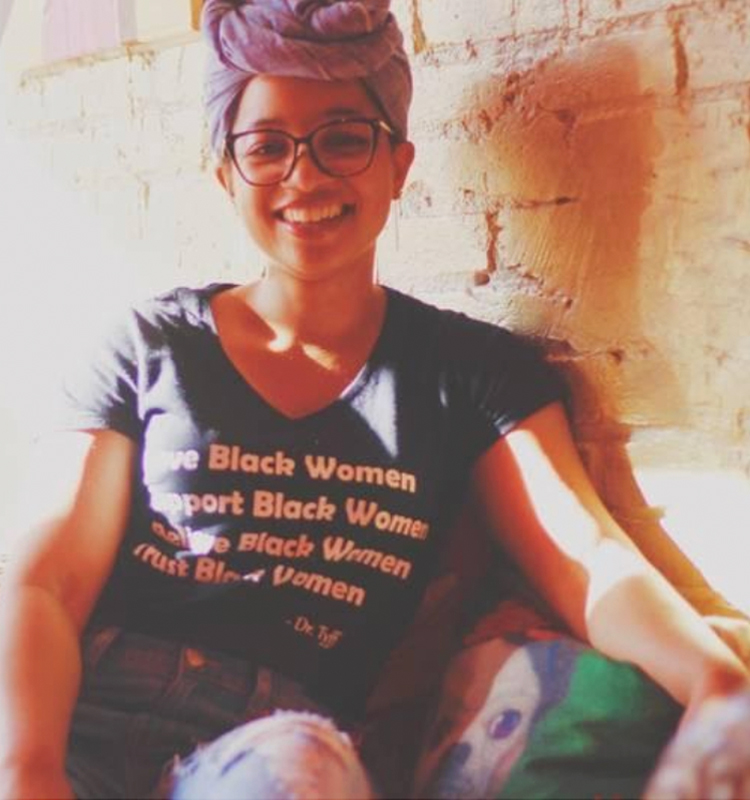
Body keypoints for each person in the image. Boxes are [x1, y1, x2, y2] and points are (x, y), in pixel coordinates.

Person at [1, 1, 749, 798]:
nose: (305, 174)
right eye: (266, 147)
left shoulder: (472, 375)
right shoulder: (147, 349)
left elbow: (590, 563)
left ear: (398, 163)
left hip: (273, 757)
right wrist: (30, 771)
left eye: (344, 139)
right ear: (226, 175)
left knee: (299, 767)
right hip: (75, 726)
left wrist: (716, 683)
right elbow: (44, 582)